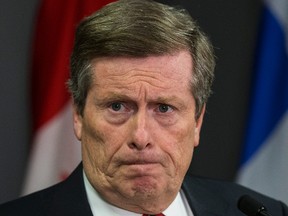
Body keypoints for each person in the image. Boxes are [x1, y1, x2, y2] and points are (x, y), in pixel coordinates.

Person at [0, 0, 287, 215]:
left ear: (197, 121)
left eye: (163, 108)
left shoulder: (262, 213)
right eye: (117, 106)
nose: (141, 136)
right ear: (78, 116)